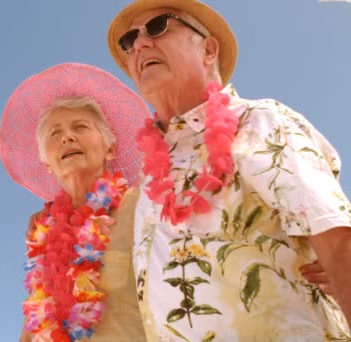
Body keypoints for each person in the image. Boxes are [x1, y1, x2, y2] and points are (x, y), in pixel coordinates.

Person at [106, 0, 351, 340]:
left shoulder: (260, 121)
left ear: (208, 49)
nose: (141, 43)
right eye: (129, 41)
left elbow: (339, 240)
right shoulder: (149, 180)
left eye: (159, 25)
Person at [0, 63, 149, 341]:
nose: (67, 136)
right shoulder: (41, 236)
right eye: (55, 134)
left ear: (110, 148)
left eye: (80, 126)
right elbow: (32, 325)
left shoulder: (142, 206)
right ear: (46, 163)